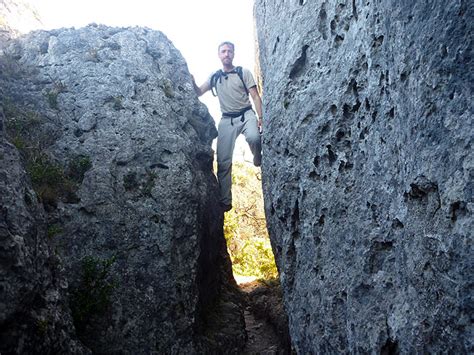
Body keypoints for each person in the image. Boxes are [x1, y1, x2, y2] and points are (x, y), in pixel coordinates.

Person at [193, 41, 263, 212]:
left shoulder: (242, 72)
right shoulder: (215, 77)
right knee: (223, 161)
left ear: (233, 54)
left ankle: (257, 157)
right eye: (223, 51)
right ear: (219, 55)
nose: (226, 54)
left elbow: (254, 95)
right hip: (227, 120)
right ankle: (225, 200)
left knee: (254, 137)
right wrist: (191, 80)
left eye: (229, 51)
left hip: (246, 114)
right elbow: (199, 92)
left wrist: (261, 117)